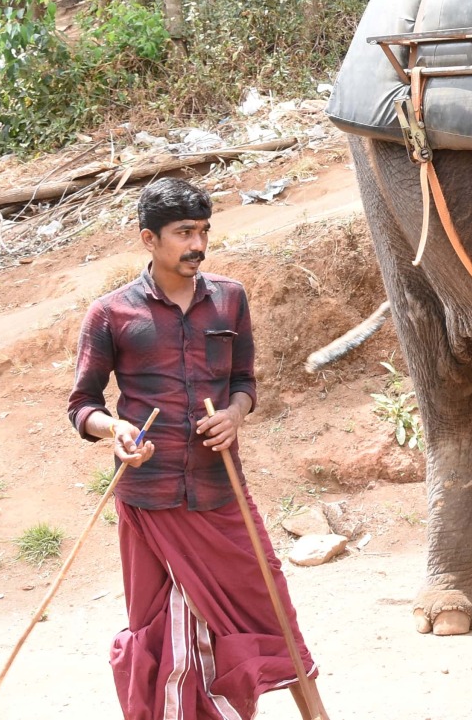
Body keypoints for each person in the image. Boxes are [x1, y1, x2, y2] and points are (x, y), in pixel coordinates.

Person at [69, 179, 316, 720]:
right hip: (148, 498)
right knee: (156, 626)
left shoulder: (229, 298)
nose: (198, 245)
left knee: (269, 604)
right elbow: (82, 405)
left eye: (203, 231)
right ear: (149, 239)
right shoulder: (110, 313)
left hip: (220, 490)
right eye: (184, 233)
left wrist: (234, 415)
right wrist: (117, 431)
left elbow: (244, 382)